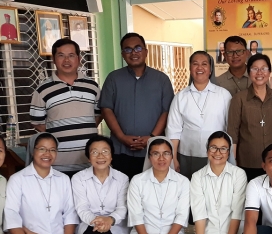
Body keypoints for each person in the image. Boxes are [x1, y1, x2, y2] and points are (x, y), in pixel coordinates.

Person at [99, 33, 175, 179]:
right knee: (123, 192)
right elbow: (106, 109)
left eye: (138, 48)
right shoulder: (113, 79)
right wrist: (122, 137)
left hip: (154, 150)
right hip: (121, 150)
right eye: (128, 49)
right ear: (122, 54)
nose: (133, 53)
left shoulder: (161, 80)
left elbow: (167, 111)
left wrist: (151, 138)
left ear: (146, 51)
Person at [122, 137, 191, 234]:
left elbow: (181, 216)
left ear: (172, 156)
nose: (161, 158)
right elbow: (136, 216)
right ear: (149, 157)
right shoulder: (137, 181)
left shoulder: (183, 182)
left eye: (166, 153)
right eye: (156, 154)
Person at [30, 38, 101, 176]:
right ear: (54, 60)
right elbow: (38, 123)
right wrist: (59, 134)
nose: (66, 60)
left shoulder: (93, 86)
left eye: (71, 56)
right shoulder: (42, 90)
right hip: (59, 165)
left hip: (90, 161)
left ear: (79, 59)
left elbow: (99, 115)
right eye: (61, 55)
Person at [188, 132, 247, 234]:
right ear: (207, 150)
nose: (218, 153)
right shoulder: (197, 177)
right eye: (213, 148)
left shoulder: (239, 174)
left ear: (229, 152)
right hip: (208, 233)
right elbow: (199, 215)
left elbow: (237, 213)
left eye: (223, 149)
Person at [71, 135, 130, 234]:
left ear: (111, 155)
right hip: (90, 224)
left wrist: (109, 220)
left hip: (114, 223)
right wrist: (97, 221)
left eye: (105, 151)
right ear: (88, 157)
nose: (100, 156)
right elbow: (81, 207)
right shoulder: (78, 179)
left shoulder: (122, 178)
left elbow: (122, 207)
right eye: (95, 152)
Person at [167, 51, 231, 179]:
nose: (199, 68)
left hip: (218, 155)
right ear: (190, 69)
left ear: (210, 69)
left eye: (204, 64)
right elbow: (173, 131)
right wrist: (173, 158)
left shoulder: (224, 95)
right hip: (187, 156)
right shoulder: (180, 97)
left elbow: (230, 128)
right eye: (195, 64)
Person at [228, 54, 272, 182]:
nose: (259, 72)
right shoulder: (239, 99)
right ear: (249, 72)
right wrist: (232, 162)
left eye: (264, 68)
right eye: (254, 69)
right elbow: (233, 133)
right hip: (247, 162)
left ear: (269, 72)